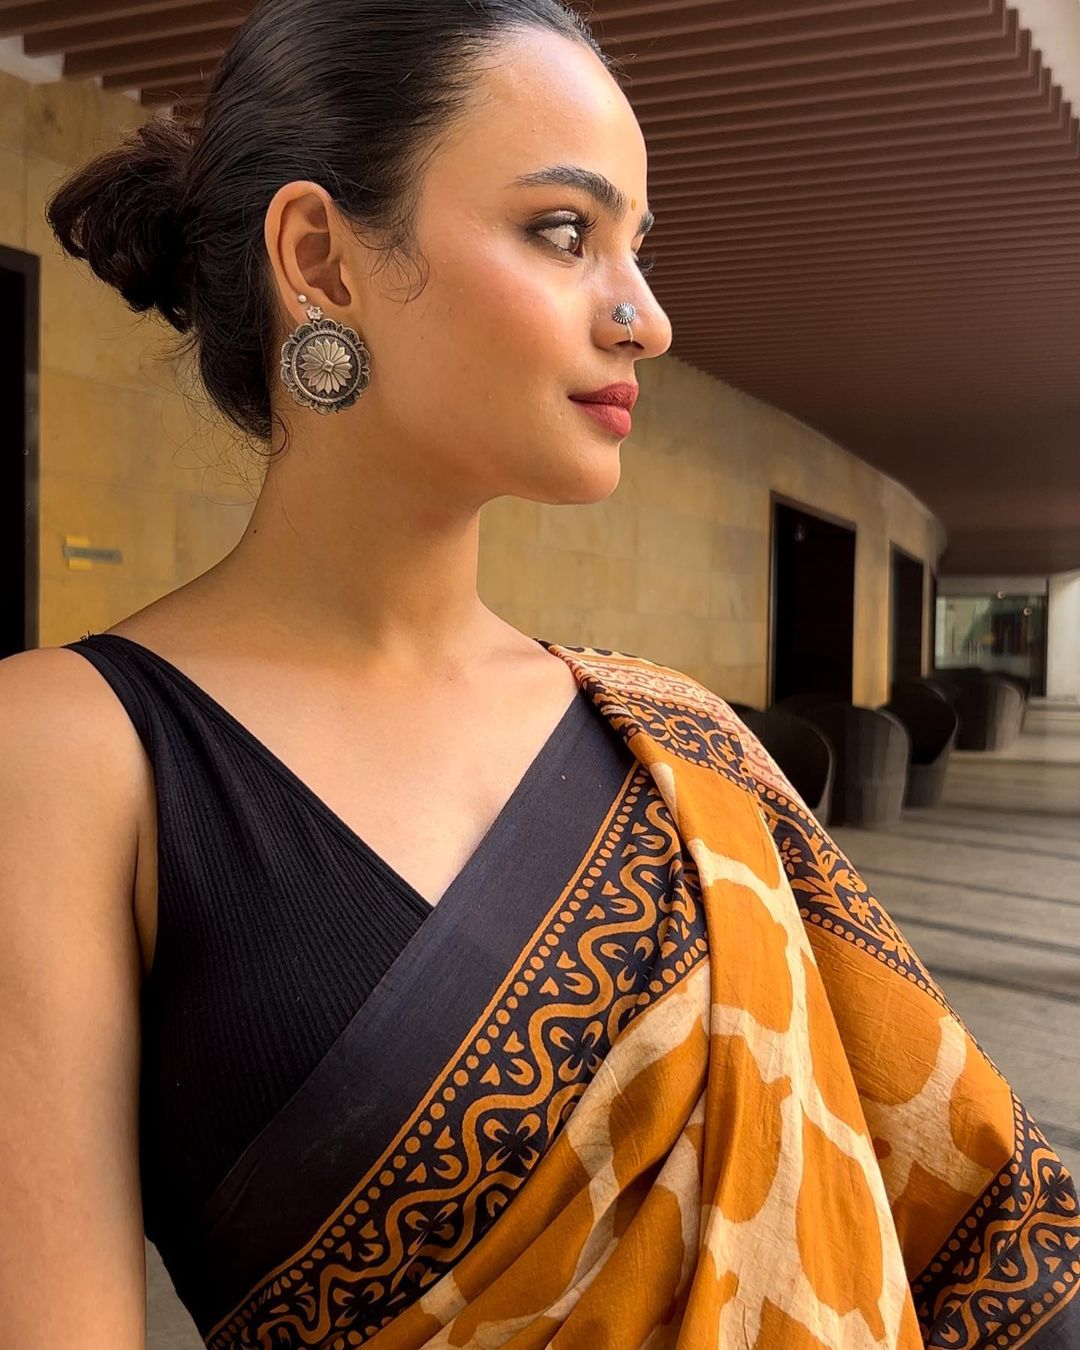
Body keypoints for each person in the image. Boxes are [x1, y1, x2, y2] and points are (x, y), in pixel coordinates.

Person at [1, 0, 1076, 1345]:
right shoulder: (67, 752)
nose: (648, 318)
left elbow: (982, 1217)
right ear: (320, 258)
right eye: (565, 232)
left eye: (639, 247)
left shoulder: (675, 745)